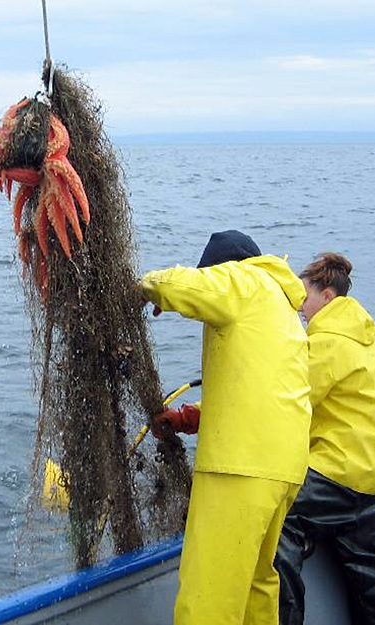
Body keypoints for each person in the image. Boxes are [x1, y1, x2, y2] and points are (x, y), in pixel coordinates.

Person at [141, 230, 312, 625]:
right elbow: (261, 388)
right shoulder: (281, 306)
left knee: (209, 594)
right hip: (282, 471)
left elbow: (178, 284)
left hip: (241, 467)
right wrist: (190, 418)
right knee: (256, 583)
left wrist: (144, 288)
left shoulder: (245, 280)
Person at [274, 252, 375, 625]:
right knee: (369, 563)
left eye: (304, 296)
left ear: (327, 296)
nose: (300, 306)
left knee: (277, 518)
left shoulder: (325, 343)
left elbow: (287, 399)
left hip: (337, 473)